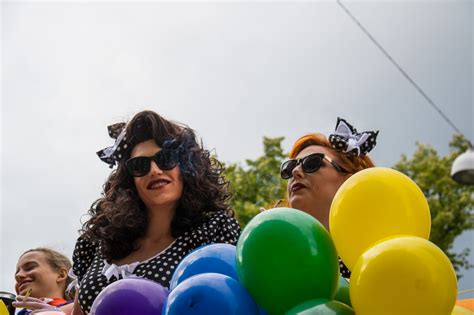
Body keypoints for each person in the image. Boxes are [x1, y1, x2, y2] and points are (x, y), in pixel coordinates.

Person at [71, 110, 240, 315]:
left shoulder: (214, 230)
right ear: (130, 180)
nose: (154, 170)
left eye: (166, 158)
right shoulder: (97, 242)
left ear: (187, 167)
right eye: (140, 165)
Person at [280, 117, 378, 277]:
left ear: (349, 180)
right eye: (289, 167)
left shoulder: (375, 258)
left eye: (312, 163)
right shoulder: (273, 250)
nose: (295, 171)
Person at [13, 248, 75, 314]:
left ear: (61, 275)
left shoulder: (81, 308)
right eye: (16, 273)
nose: (18, 275)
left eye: (29, 268)